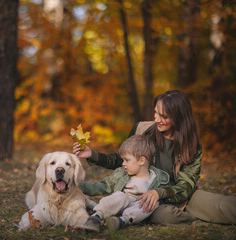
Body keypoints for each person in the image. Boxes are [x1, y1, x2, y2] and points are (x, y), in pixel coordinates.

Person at [73, 90, 236, 227]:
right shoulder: (142, 129)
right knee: (162, 215)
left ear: (179, 117)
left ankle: (196, 214)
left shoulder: (190, 145)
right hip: (146, 200)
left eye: (163, 116)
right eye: (156, 112)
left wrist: (160, 192)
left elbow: (186, 185)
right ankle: (198, 222)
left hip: (179, 196)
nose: (157, 119)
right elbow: (121, 159)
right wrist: (93, 155)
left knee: (224, 206)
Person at [81, 135, 169, 232]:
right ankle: (96, 217)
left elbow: (167, 192)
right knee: (121, 196)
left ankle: (121, 221)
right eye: (123, 160)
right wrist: (81, 187)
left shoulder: (158, 178)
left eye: (127, 160)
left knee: (153, 202)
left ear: (142, 160)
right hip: (118, 205)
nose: (123, 164)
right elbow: (104, 186)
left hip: (136, 210)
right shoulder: (122, 173)